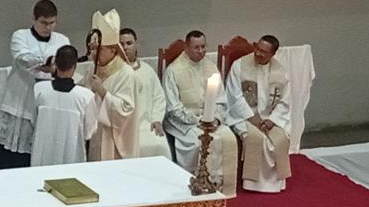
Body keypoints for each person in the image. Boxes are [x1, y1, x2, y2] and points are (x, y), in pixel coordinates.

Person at [0, 0, 70, 169]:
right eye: (44, 23)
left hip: (47, 100)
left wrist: (53, 66)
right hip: (22, 97)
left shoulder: (62, 40)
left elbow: (64, 64)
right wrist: (46, 63)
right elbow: (23, 58)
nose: (48, 27)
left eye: (52, 23)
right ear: (33, 19)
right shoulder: (20, 36)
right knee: (12, 154)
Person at [162, 30, 238, 194]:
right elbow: (173, 107)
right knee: (198, 143)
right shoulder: (174, 70)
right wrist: (198, 121)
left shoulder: (211, 68)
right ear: (186, 47)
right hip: (184, 121)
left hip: (211, 119)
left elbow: (221, 99)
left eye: (203, 47)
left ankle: (220, 187)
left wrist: (215, 119)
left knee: (228, 139)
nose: (201, 51)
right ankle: (193, 183)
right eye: (196, 47)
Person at [226, 35, 292, 193]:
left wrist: (272, 120)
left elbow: (285, 101)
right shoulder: (239, 65)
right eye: (257, 48)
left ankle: (275, 183)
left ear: (273, 54)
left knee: (281, 139)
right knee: (258, 139)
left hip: (269, 117)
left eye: (264, 52)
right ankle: (251, 183)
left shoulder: (280, 72)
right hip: (244, 116)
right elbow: (234, 96)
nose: (258, 53)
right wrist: (254, 118)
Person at [87, 10, 139, 161]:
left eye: (99, 49)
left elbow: (126, 109)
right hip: (95, 133)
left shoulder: (125, 73)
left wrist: (102, 92)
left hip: (114, 138)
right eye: (92, 48)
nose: (94, 53)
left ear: (112, 49)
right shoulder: (92, 68)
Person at [31, 45, 97, 166]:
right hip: (71, 156)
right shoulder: (86, 96)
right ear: (75, 66)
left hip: (42, 154)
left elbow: (33, 120)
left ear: (55, 64)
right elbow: (89, 132)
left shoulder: (39, 89)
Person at [119, 27, 171, 159]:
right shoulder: (114, 73)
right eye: (121, 44)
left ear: (136, 44)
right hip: (122, 127)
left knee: (160, 145)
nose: (125, 48)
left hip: (146, 125)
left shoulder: (147, 70)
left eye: (129, 43)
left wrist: (157, 119)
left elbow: (158, 97)